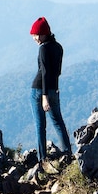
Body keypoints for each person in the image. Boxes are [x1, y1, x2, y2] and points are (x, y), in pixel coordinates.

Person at [29, 16, 72, 163]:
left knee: (40, 126)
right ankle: (68, 153)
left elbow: (45, 72)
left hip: (39, 91)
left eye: (35, 35)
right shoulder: (58, 47)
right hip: (54, 89)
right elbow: (56, 72)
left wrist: (44, 96)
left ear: (42, 34)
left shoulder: (43, 49)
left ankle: (42, 159)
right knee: (58, 122)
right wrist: (54, 90)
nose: (34, 38)